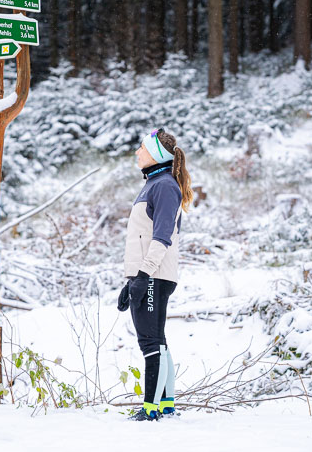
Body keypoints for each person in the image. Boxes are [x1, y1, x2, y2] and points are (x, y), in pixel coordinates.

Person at [121, 127, 193, 421]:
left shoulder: (163, 186)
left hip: (153, 274)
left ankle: (150, 410)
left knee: (150, 342)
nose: (137, 152)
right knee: (158, 340)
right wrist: (131, 278)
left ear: (155, 155)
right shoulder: (154, 184)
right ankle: (166, 405)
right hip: (148, 273)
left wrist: (142, 276)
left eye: (142, 147)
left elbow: (162, 237)